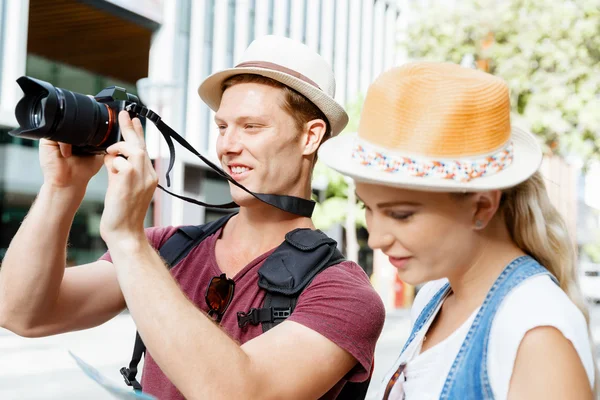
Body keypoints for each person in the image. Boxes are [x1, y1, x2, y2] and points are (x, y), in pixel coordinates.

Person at [0, 35, 385, 399]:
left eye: (251, 127)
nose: (228, 146)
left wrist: (128, 239)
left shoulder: (343, 293)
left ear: (310, 137)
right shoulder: (169, 248)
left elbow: (238, 392)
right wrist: (62, 189)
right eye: (222, 127)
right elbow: (22, 313)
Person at [318, 62, 596, 399]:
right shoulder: (434, 296)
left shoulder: (536, 330)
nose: (376, 238)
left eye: (402, 215)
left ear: (481, 206)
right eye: (368, 207)